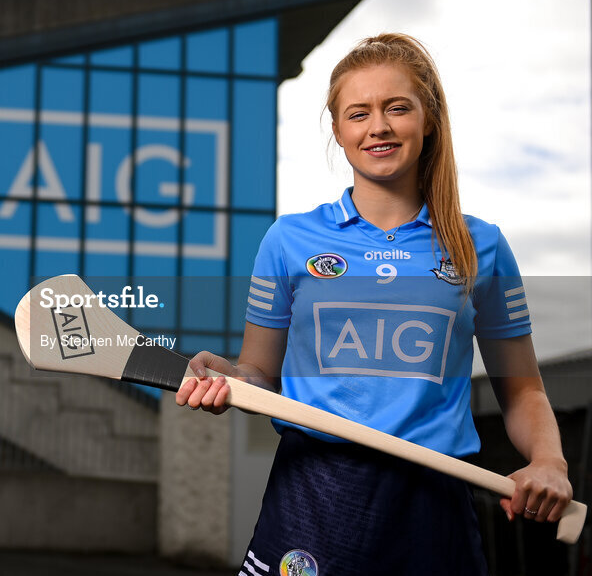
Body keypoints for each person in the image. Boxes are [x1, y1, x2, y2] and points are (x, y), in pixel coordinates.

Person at [175, 33, 573, 575]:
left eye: (397, 108)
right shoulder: (289, 240)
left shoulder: (480, 245)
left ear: (428, 120)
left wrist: (549, 461)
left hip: (433, 504)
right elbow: (260, 374)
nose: (378, 126)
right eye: (358, 113)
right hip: (314, 496)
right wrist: (233, 381)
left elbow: (523, 389)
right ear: (339, 131)